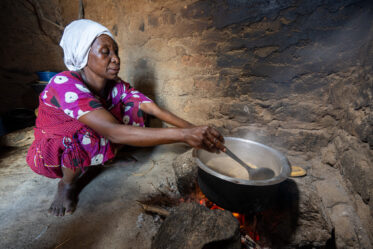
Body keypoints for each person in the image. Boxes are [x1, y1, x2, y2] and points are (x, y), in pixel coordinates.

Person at [26, 19, 225, 217]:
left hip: (101, 131)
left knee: (133, 108)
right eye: (106, 52)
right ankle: (67, 184)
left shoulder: (113, 84)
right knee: (87, 132)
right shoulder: (63, 83)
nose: (115, 59)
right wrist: (184, 135)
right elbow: (113, 132)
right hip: (58, 143)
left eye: (116, 52)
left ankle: (107, 158)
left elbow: (152, 108)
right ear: (83, 55)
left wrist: (196, 130)